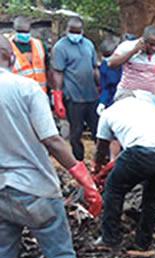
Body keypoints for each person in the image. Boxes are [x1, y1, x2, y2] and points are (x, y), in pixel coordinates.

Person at [0, 36, 101, 258]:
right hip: (37, 191)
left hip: (2, 193)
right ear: (9, 54)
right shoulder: (25, 88)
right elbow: (53, 140)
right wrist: (83, 176)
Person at [94, 91, 155, 251]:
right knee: (152, 196)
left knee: (113, 189)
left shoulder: (108, 113)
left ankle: (110, 239)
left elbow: (101, 148)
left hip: (143, 152)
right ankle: (143, 242)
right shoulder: (148, 107)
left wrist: (97, 171)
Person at [51, 16, 100, 161]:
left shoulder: (88, 45)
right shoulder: (60, 47)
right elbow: (58, 72)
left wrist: (100, 86)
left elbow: (94, 68)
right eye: (72, 31)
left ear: (82, 31)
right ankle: (79, 161)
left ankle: (100, 160)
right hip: (73, 97)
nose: (75, 35)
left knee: (97, 130)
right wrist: (58, 97)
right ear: (67, 30)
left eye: (78, 32)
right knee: (76, 132)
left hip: (91, 95)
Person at [108, 26, 155, 119]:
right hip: (127, 95)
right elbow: (111, 63)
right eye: (151, 45)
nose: (154, 48)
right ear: (143, 40)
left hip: (150, 99)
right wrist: (134, 51)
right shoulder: (127, 46)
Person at [9, 16, 51, 92]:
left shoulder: (39, 45)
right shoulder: (7, 47)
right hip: (19, 94)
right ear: (14, 30)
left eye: (26, 32)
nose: (24, 35)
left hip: (40, 92)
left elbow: (48, 68)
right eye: (20, 32)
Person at [97, 38, 122, 114]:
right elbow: (106, 87)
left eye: (108, 55)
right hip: (111, 102)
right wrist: (102, 102)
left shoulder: (126, 65)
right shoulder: (105, 66)